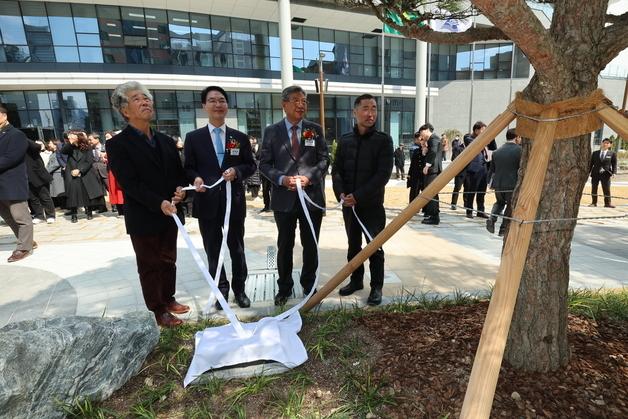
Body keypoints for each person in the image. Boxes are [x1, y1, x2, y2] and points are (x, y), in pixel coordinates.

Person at [107, 81, 189, 328]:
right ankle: (157, 308)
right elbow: (129, 183)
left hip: (170, 213)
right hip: (144, 215)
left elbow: (178, 174)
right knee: (149, 264)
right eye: (137, 99)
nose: (145, 102)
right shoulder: (118, 144)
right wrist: (159, 202)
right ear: (124, 110)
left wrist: (180, 191)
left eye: (147, 98)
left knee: (168, 259)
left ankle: (169, 297)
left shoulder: (165, 140)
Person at [184, 85, 256, 310]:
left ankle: (240, 289)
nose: (218, 105)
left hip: (233, 201)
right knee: (213, 249)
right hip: (206, 201)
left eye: (222, 100)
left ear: (227, 105)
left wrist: (237, 172)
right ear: (204, 106)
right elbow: (188, 167)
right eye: (213, 101)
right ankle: (220, 290)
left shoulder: (239, 137)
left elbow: (251, 165)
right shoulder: (193, 138)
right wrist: (195, 179)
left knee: (237, 248)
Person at [259, 85, 329, 306]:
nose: (301, 104)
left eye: (304, 100)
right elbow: (264, 164)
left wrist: (308, 177)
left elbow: (324, 160)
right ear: (284, 104)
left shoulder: (314, 129)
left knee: (311, 245)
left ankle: (309, 285)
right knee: (285, 245)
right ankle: (284, 287)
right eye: (296, 100)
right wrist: (282, 179)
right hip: (284, 200)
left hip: (311, 198)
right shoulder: (272, 131)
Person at [332, 94, 393, 306]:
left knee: (375, 247)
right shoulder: (345, 140)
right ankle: (356, 280)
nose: (371, 113)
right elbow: (337, 170)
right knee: (353, 245)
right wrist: (341, 194)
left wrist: (358, 196)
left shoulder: (383, 140)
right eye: (366, 108)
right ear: (355, 112)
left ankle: (377, 286)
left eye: (374, 108)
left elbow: (382, 175)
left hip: (372, 205)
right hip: (349, 206)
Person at [0, 103, 36, 263]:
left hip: (11, 183)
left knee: (20, 217)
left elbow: (11, 158)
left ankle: (23, 247)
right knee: (8, 218)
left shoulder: (16, 135)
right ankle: (28, 241)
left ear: (4, 116)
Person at [61, 131, 104, 223]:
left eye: (73, 136)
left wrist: (80, 170)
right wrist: (71, 142)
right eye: (70, 136)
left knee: (86, 193)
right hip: (71, 172)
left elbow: (89, 161)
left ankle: (89, 212)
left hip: (84, 172)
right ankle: (74, 214)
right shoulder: (70, 147)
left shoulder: (86, 146)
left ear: (78, 137)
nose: (70, 137)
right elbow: (63, 151)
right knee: (73, 194)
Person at [486, 129, 522, 236]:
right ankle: (503, 229)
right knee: (510, 206)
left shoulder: (497, 151)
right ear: (517, 137)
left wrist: (489, 183)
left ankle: (492, 219)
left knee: (499, 203)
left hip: (498, 183)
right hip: (512, 183)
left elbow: (491, 170)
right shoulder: (520, 150)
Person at [463, 121, 496, 218]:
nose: (484, 132)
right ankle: (469, 211)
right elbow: (476, 145)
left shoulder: (486, 139)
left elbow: (494, 148)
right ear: (476, 130)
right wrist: (486, 137)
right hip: (474, 168)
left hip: (484, 167)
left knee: (482, 191)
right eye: (482, 130)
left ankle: (480, 211)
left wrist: (492, 136)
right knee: (471, 190)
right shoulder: (468, 137)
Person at [417, 123, 443, 225]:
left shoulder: (434, 138)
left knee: (431, 193)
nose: (421, 135)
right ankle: (432, 215)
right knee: (432, 193)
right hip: (432, 170)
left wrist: (427, 165)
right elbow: (430, 152)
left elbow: (433, 152)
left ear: (427, 130)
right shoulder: (431, 140)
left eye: (421, 133)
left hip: (433, 170)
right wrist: (424, 150)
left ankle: (434, 217)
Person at [25, 138, 55, 224]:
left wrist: (22, 138)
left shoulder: (31, 149)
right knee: (33, 198)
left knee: (44, 196)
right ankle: (39, 215)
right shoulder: (16, 151)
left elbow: (37, 146)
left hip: (38, 176)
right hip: (26, 176)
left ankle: (50, 215)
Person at [589, 137, 617, 208]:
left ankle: (607, 203)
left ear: (610, 145)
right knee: (594, 188)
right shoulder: (595, 153)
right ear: (601, 143)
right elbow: (591, 163)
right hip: (595, 173)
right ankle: (594, 203)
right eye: (604, 142)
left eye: (607, 143)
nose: (605, 144)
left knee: (606, 189)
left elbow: (614, 164)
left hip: (606, 174)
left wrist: (614, 172)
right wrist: (588, 172)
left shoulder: (612, 154)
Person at [103, 131, 124, 216]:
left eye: (108, 137)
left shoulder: (119, 145)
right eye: (106, 137)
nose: (106, 139)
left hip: (118, 170)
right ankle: (118, 208)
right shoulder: (108, 146)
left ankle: (123, 208)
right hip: (111, 170)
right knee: (113, 189)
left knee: (119, 189)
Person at [407, 131, 427, 203]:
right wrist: (409, 174)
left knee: (425, 192)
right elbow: (412, 164)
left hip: (424, 175)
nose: (419, 141)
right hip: (415, 175)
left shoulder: (427, 150)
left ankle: (425, 209)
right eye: (418, 139)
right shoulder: (415, 151)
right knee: (414, 192)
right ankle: (412, 208)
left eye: (421, 139)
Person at [46, 140, 66, 208]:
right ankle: (61, 205)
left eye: (50, 143)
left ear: (55, 144)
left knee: (60, 190)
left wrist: (46, 171)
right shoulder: (53, 153)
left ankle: (64, 205)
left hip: (58, 174)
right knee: (56, 191)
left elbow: (56, 164)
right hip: (53, 173)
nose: (49, 144)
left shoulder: (58, 153)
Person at [450, 134, 466, 210]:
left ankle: (466, 205)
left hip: (469, 172)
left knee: (467, 189)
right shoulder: (458, 148)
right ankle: (453, 204)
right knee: (457, 188)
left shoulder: (472, 148)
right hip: (460, 172)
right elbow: (453, 159)